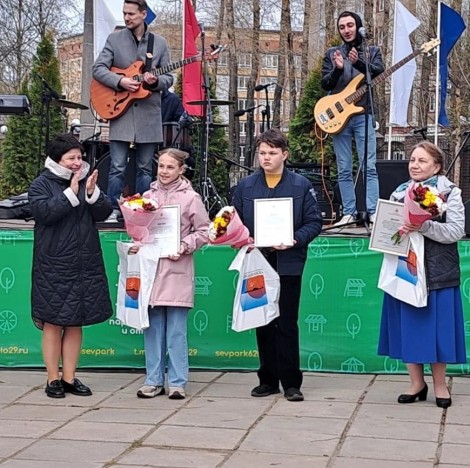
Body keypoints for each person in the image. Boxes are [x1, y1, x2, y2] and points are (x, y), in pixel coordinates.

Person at [232, 129, 323, 402]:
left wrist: (295, 239)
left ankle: (291, 382)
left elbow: (314, 222)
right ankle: (267, 379)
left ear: (285, 154)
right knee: (262, 320)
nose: (266, 158)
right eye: (262, 153)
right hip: (257, 262)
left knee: (286, 323)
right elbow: (233, 220)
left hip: (289, 262)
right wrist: (241, 238)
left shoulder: (301, 185)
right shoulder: (245, 186)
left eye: (272, 153)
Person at [378, 141, 466, 408]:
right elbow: (387, 229)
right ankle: (416, 383)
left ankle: (440, 385)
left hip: (438, 273)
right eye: (412, 160)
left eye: (422, 161)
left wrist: (423, 226)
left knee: (437, 332)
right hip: (407, 271)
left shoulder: (450, 194)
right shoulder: (399, 193)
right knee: (410, 329)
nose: (415, 165)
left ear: (437, 166)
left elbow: (455, 232)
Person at [28, 133, 114, 398]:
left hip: (84, 261)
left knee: (76, 321)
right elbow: (45, 213)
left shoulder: (86, 180)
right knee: (53, 321)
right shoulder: (41, 184)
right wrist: (70, 193)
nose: (78, 162)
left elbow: (104, 212)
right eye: (71, 158)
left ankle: (70, 377)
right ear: (57, 160)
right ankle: (52, 378)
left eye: (80, 157)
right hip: (54, 263)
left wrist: (91, 193)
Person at [130, 148, 209, 400]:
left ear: (181, 170)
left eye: (170, 167)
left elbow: (205, 230)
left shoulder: (191, 198)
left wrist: (184, 245)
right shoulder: (146, 196)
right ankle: (153, 380)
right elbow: (140, 229)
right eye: (161, 166)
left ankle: (177, 382)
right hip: (152, 269)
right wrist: (137, 242)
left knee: (176, 330)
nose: (164, 171)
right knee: (152, 328)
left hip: (177, 269)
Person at [92, 0, 174, 221]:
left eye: (131, 14)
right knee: (117, 166)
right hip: (120, 110)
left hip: (148, 112)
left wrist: (155, 81)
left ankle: (142, 211)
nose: (127, 17)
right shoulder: (114, 39)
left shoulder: (159, 43)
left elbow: (169, 79)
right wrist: (121, 82)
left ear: (143, 14)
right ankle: (112, 209)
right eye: (124, 13)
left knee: (146, 168)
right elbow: (98, 69)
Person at [321, 11, 384, 226]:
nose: (346, 30)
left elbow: (377, 72)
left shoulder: (372, 50)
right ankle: (348, 212)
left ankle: (373, 211)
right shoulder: (332, 53)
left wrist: (358, 63)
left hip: (363, 115)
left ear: (358, 26)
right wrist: (338, 70)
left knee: (369, 165)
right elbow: (326, 84)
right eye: (342, 27)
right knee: (344, 166)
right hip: (340, 117)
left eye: (350, 25)